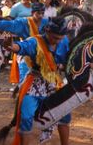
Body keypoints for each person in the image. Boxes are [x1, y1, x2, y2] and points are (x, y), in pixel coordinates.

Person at [8, 17, 71, 145]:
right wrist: (12, 46)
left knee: (65, 113)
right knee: (26, 117)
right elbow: (21, 47)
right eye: (54, 37)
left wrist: (63, 66)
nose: (57, 40)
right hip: (34, 83)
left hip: (54, 82)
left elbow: (70, 59)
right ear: (47, 32)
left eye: (60, 37)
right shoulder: (35, 42)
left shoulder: (64, 41)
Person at [0, 3, 49, 88]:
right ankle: (22, 93)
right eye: (38, 13)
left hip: (43, 55)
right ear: (32, 12)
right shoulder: (24, 22)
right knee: (24, 77)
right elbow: (12, 24)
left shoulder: (47, 22)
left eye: (42, 13)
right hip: (25, 53)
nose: (41, 15)